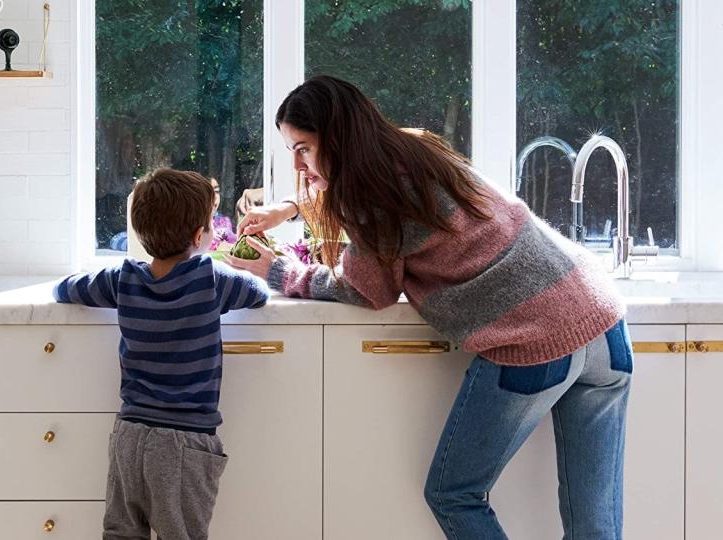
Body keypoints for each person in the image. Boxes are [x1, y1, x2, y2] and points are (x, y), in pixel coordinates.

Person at [227, 75, 631, 539]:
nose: (297, 164)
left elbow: (368, 291)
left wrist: (276, 272)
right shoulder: (414, 148)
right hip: (603, 324)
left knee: (453, 494)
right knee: (594, 521)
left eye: (302, 148)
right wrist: (288, 210)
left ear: (334, 137)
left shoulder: (370, 195)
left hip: (535, 343)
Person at [54, 168, 270, 540]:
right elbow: (258, 291)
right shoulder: (210, 279)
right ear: (199, 236)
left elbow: (67, 289)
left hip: (130, 436)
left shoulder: (123, 279)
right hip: (185, 443)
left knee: (121, 534)